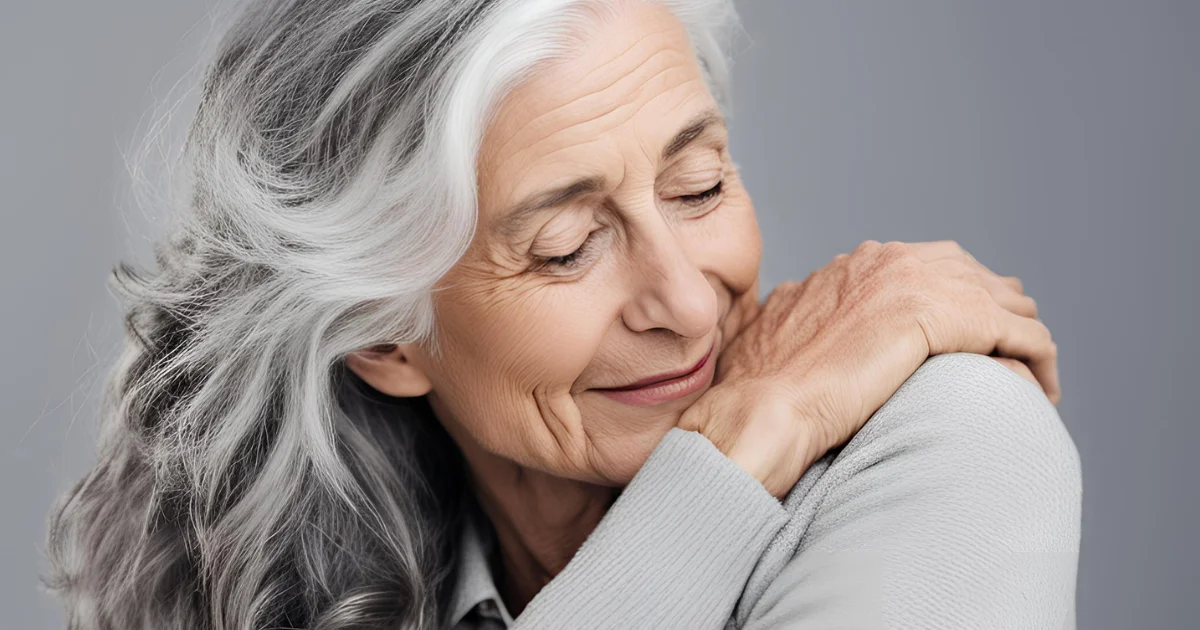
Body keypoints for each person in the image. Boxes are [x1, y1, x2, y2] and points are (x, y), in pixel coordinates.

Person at [45, 0, 1081, 628]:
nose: (685, 302)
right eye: (566, 247)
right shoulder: (334, 580)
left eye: (700, 184)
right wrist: (733, 455)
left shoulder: (949, 445)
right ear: (382, 333)